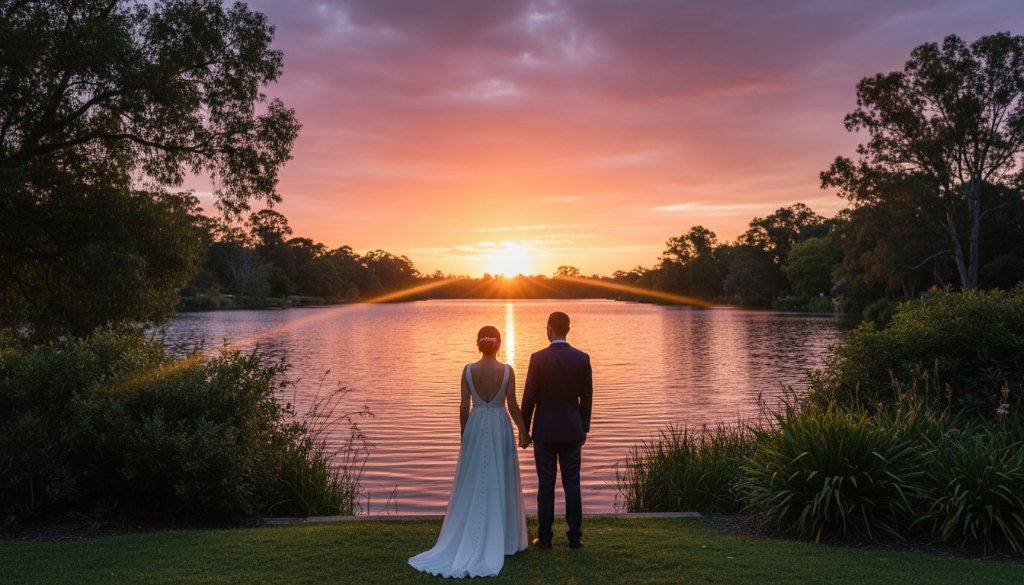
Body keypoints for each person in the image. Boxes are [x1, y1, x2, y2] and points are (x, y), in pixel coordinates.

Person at [408, 326, 529, 578]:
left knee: (473, 479)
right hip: (499, 425)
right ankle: (504, 538)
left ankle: (474, 533)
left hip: (475, 424)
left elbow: (464, 405)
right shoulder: (507, 370)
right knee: (500, 476)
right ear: (498, 344)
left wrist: (465, 434)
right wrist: (523, 430)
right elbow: (514, 406)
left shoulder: (467, 370)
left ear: (479, 344)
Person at [521, 311, 593, 549]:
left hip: (545, 432)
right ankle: (575, 537)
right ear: (568, 330)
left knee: (546, 484)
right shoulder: (582, 358)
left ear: (549, 330)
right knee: (572, 483)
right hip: (572, 431)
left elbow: (530, 395)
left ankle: (545, 537)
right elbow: (587, 397)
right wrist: (584, 428)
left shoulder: (538, 358)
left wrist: (524, 428)